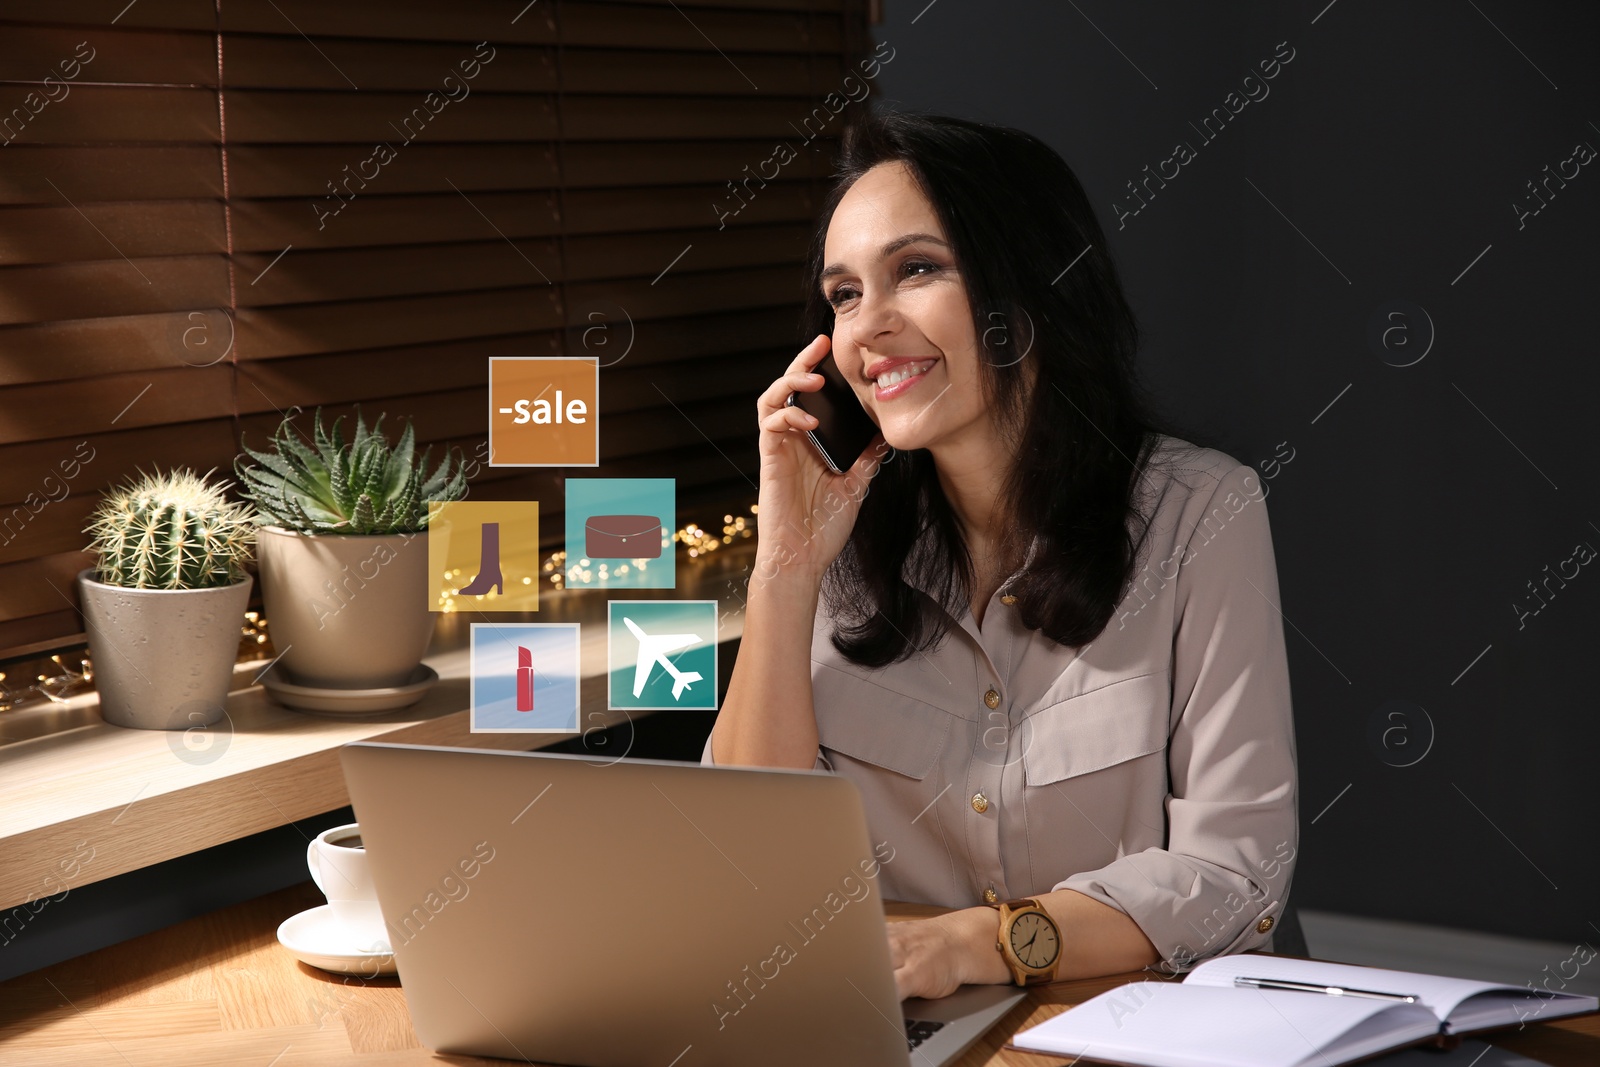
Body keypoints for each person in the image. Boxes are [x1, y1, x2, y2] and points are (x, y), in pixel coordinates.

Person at [702, 111, 1299, 1002]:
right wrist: (785, 574)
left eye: (916, 269)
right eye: (844, 294)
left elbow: (1239, 877)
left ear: (1026, 293)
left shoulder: (1201, 511)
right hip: (896, 1033)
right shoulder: (837, 540)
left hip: (1132, 1033)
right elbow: (747, 865)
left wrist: (985, 943)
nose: (867, 329)